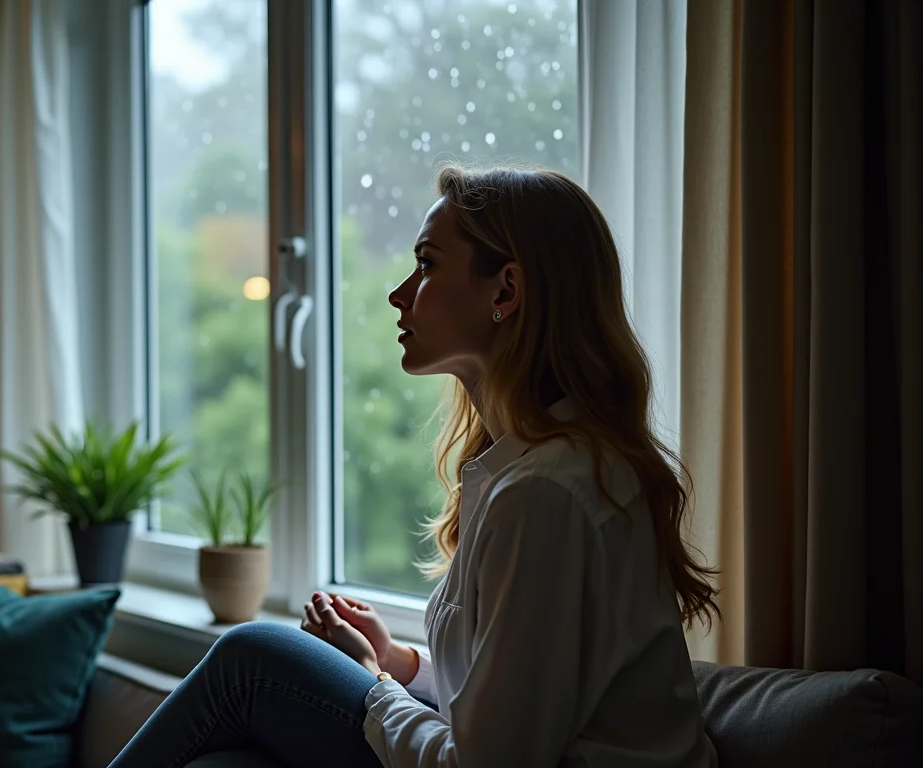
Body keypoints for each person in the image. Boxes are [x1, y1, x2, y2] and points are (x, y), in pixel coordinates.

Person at [107, 164, 720, 768]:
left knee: (252, 657)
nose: (399, 293)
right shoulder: (535, 470)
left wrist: (375, 683)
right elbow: (511, 709)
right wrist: (398, 662)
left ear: (505, 291)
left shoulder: (546, 493)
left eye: (427, 265)